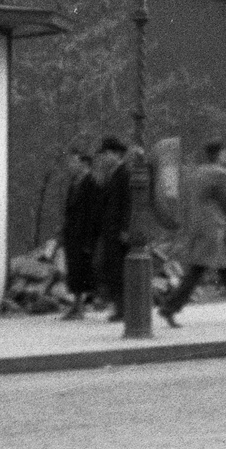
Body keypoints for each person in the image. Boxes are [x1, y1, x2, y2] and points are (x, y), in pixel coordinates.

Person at [159, 139, 226, 326]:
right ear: (219, 154)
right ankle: (170, 307)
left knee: (219, 268)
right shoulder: (219, 174)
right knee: (200, 270)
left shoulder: (196, 173)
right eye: (224, 153)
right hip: (212, 228)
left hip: (197, 227)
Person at [91, 136, 131, 321]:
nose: (104, 158)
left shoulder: (124, 173)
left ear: (115, 154)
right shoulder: (112, 173)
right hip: (109, 229)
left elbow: (127, 203)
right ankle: (118, 306)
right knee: (110, 268)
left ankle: (123, 309)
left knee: (117, 270)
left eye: (106, 154)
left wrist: (125, 228)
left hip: (117, 230)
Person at [58, 150, 98, 319]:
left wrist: (90, 237)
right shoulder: (74, 183)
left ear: (83, 164)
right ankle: (75, 304)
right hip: (72, 233)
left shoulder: (90, 183)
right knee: (73, 269)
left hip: (83, 234)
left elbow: (92, 212)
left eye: (74, 162)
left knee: (82, 269)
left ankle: (80, 305)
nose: (70, 166)